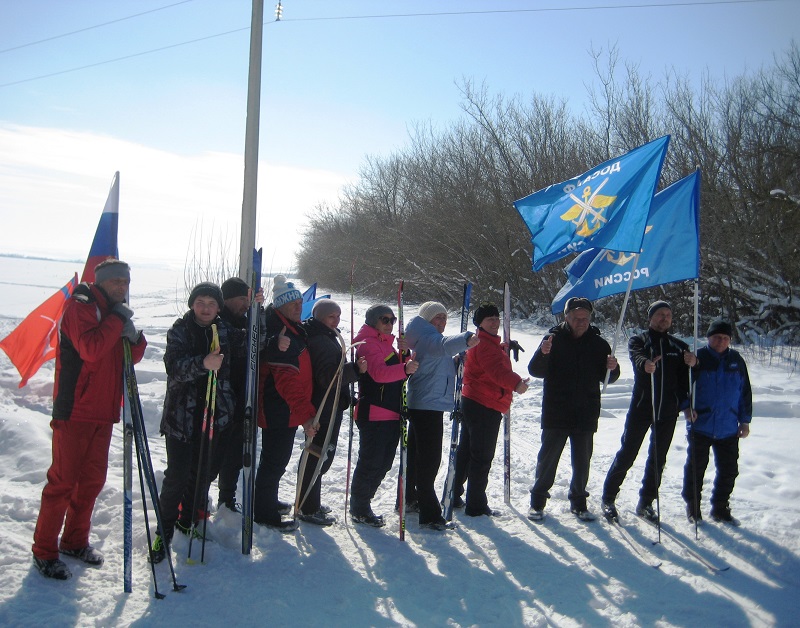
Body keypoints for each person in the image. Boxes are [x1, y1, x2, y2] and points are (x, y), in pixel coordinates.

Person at [32, 259, 147, 580]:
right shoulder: (80, 308)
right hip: (75, 412)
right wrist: (115, 319)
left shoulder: (113, 312)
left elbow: (131, 356)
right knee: (63, 483)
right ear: (101, 283)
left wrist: (134, 336)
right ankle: (44, 550)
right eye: (116, 283)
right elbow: (92, 349)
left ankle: (74, 541)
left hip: (104, 412)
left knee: (92, 482)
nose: (122, 288)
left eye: (126, 283)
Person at [152, 282, 242, 562]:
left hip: (215, 415)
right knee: (177, 477)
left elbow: (254, 339)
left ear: (219, 307)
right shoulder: (179, 330)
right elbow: (174, 368)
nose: (206, 309)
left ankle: (187, 521)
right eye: (201, 302)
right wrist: (203, 363)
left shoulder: (224, 330)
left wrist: (261, 310)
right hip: (182, 418)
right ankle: (163, 533)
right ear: (192, 304)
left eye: (212, 304)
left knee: (203, 474)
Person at [601, 300, 697, 523]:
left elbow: (687, 382)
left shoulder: (679, 346)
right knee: (628, 452)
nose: (664, 318)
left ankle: (646, 502)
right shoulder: (640, 340)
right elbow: (636, 356)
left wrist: (694, 364)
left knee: (658, 458)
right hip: (642, 407)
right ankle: (608, 497)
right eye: (660, 314)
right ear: (651, 318)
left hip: (668, 411)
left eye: (668, 314)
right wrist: (646, 365)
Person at [527, 297, 620, 522]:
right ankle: (537, 502)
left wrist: (613, 368)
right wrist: (543, 353)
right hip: (556, 410)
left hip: (585, 411)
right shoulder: (552, 339)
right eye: (576, 318)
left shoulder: (599, 344)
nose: (581, 322)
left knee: (582, 461)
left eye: (585, 318)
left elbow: (608, 378)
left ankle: (579, 503)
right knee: (548, 459)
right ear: (566, 317)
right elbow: (535, 370)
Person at [404, 301, 478, 530]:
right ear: (427, 320)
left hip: (424, 403)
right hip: (428, 406)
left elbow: (439, 359)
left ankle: (408, 498)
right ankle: (430, 514)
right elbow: (444, 345)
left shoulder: (426, 338)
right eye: (437, 318)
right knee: (429, 460)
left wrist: (455, 362)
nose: (442, 322)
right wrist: (466, 338)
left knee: (417, 456)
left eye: (445, 318)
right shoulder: (430, 338)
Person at [253, 275, 316, 532]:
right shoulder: (281, 334)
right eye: (292, 304)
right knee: (274, 461)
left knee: (275, 460)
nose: (298, 307)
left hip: (283, 409)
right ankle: (264, 513)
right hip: (278, 409)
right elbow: (286, 382)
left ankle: (267, 502)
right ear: (279, 306)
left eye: (300, 303)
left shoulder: (289, 327)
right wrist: (305, 416)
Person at [297, 299, 367, 525]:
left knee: (320, 454)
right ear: (319, 316)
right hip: (323, 406)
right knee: (317, 454)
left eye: (338, 316)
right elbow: (327, 378)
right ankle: (306, 507)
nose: (335, 320)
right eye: (331, 316)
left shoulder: (326, 335)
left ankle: (309, 502)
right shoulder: (320, 340)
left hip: (330, 404)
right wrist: (355, 370)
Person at [456, 302, 528, 518]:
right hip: (484, 404)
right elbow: (496, 370)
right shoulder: (485, 345)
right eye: (490, 320)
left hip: (473, 400)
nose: (495, 322)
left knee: (467, 452)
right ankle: (476, 505)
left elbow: (491, 358)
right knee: (481, 456)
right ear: (480, 323)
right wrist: (516, 383)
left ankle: (454, 491)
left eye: (497, 318)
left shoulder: (483, 342)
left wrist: (504, 346)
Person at [349, 304, 418, 527]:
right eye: (384, 320)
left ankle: (363, 503)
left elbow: (397, 374)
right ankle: (359, 507)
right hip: (374, 413)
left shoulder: (385, 342)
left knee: (384, 463)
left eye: (392, 320)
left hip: (391, 412)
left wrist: (404, 355)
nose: (389, 324)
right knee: (372, 462)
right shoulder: (368, 343)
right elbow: (379, 374)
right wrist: (405, 368)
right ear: (372, 321)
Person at [682, 319, 752, 525]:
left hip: (728, 426)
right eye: (716, 337)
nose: (720, 341)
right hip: (701, 424)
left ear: (729, 340)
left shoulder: (736, 361)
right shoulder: (698, 359)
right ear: (709, 338)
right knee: (695, 468)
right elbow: (683, 386)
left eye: (725, 338)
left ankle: (720, 507)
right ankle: (693, 506)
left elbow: (745, 392)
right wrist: (687, 408)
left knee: (729, 470)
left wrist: (745, 421)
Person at [213, 277, 263, 513]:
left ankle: (227, 498)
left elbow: (258, 345)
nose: (245, 304)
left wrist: (257, 311)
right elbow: (242, 342)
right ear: (228, 299)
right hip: (218, 400)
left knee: (235, 454)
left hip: (243, 398)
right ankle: (198, 502)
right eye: (243, 299)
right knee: (213, 455)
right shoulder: (217, 321)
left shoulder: (246, 320)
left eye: (247, 299)